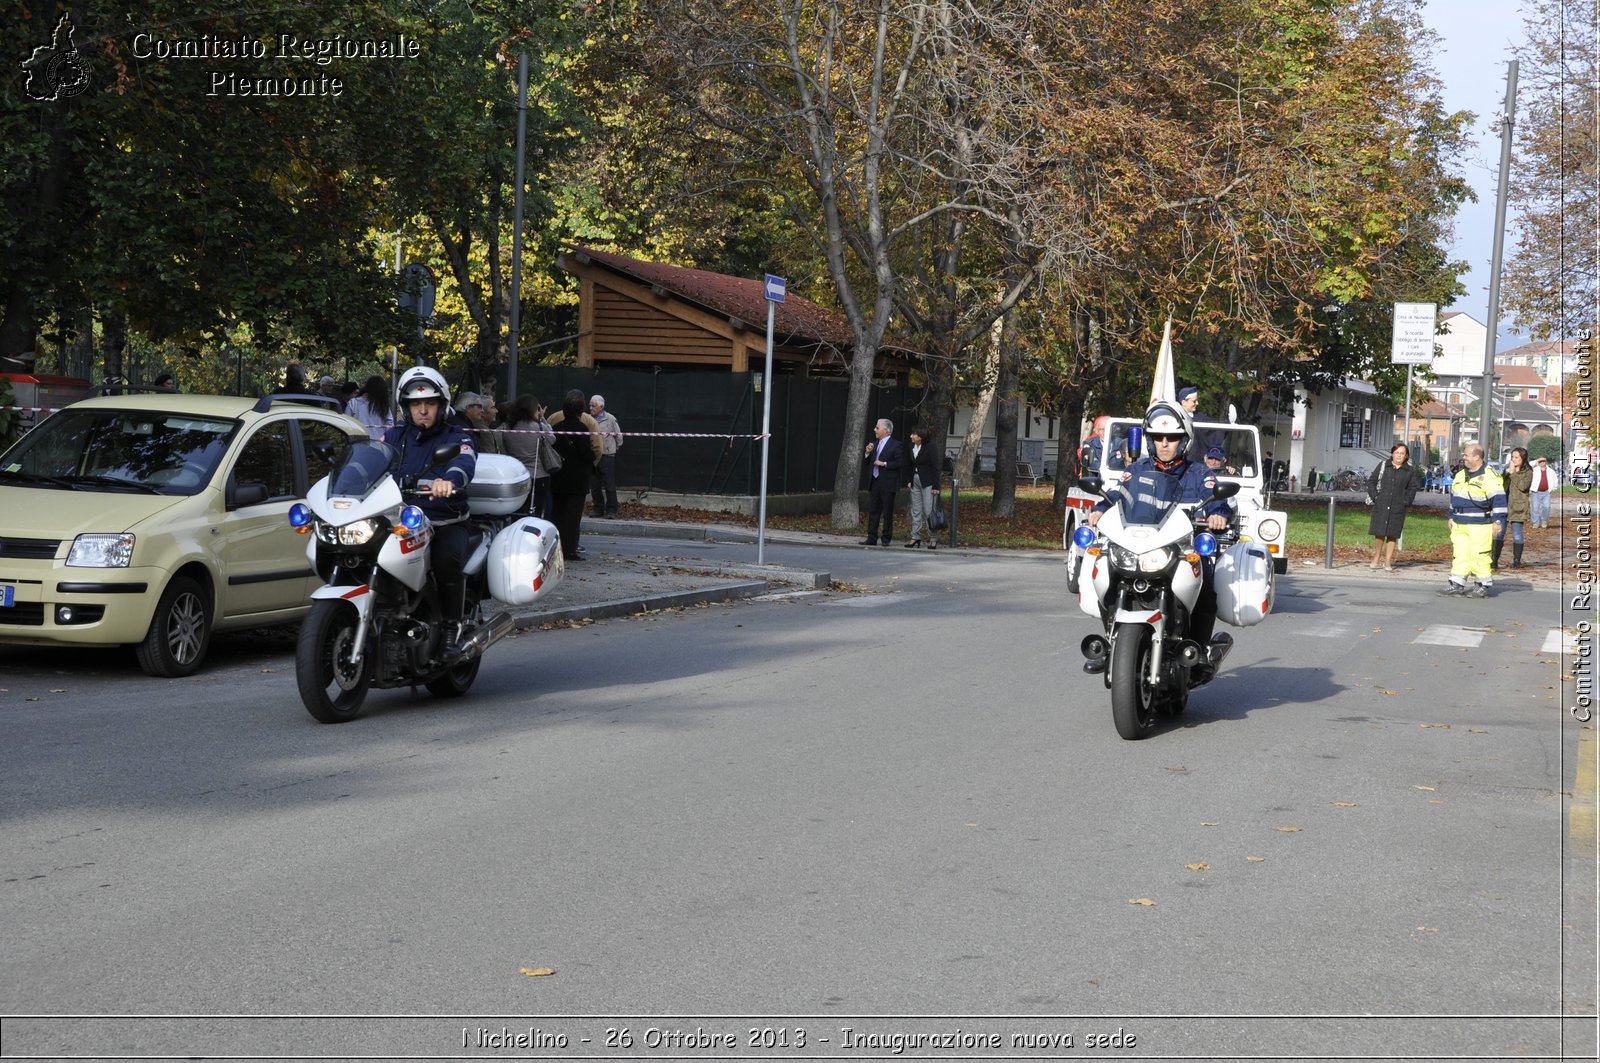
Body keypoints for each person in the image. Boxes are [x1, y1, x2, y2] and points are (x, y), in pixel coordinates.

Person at [1084, 399, 1233, 674]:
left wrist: (1219, 514)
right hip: (1139, 546)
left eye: (1172, 438)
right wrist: (1101, 508)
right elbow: (1119, 495)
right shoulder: (1136, 470)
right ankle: (1109, 645)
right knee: (1105, 569)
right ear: (1150, 440)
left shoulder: (1199, 473)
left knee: (1207, 578)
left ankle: (1197, 650)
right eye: (1158, 437)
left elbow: (1216, 500)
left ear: (1184, 440)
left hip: (1178, 550)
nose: (1165, 443)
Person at [381, 366, 477, 657]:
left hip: (444, 519)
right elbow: (374, 461)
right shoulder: (394, 436)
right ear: (406, 407)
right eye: (415, 404)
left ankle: (451, 628)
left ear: (441, 405)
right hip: (400, 520)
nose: (422, 410)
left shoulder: (456, 436)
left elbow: (465, 461)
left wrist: (450, 481)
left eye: (430, 403)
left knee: (445, 559)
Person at [1440, 443, 1506, 598]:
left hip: (1480, 523)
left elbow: (1499, 500)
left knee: (1480, 554)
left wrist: (1498, 521)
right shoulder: (1461, 475)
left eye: (1467, 455)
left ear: (1477, 457)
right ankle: (1457, 583)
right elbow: (1454, 497)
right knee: (1460, 553)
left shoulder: (1490, 476)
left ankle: (1482, 585)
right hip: (1459, 522)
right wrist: (1451, 515)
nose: (1464, 458)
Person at [548, 389, 602, 561]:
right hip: (577, 479)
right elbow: (590, 452)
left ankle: (553, 548)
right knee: (572, 517)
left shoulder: (555, 426)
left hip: (557, 475)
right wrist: (592, 461)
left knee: (556, 513)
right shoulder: (582, 428)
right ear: (581, 411)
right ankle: (569, 549)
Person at [1365, 442, 1422, 571]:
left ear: (1406, 456)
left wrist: (1406, 501)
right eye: (1396, 453)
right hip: (1382, 504)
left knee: (1392, 534)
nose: (1399, 455)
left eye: (1402, 453)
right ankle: (1377, 556)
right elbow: (1371, 482)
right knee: (1379, 532)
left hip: (1398, 506)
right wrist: (1375, 497)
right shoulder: (1384, 466)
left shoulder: (1409, 471)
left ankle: (1388, 561)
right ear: (1392, 454)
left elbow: (1412, 488)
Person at [503, 394, 555, 519]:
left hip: (517, 474)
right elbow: (552, 438)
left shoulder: (508, 428)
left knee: (519, 509)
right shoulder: (537, 427)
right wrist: (542, 419)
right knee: (537, 509)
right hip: (537, 474)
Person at [860, 418, 906, 546]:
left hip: (888, 483)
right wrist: (867, 453)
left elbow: (900, 463)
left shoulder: (896, 445)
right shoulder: (875, 443)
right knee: (873, 510)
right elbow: (867, 462)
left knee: (887, 511)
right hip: (875, 481)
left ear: (886, 430)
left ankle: (886, 538)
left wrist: (884, 464)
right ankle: (871, 537)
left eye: (877, 427)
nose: (875, 429)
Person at [904, 426, 941, 549]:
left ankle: (933, 538)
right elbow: (909, 464)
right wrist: (909, 480)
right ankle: (915, 537)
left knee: (928, 510)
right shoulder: (911, 446)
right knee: (916, 510)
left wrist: (936, 485)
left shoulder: (931, 446)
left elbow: (936, 467)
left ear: (921, 436)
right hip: (915, 480)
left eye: (914, 434)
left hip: (928, 482)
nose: (911, 436)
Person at [1496, 446, 1532, 570]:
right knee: (1499, 534)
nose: (1514, 460)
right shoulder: (1507, 469)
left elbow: (1523, 486)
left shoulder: (1528, 472)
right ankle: (1494, 561)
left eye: (1517, 457)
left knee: (1517, 534)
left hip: (1518, 507)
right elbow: (1500, 484)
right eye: (1512, 457)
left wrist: (1513, 474)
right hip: (1504, 505)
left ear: (1523, 458)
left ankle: (1516, 561)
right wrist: (1506, 474)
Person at [588, 394, 623, 518]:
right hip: (594, 456)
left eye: (594, 405)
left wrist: (614, 449)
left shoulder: (610, 419)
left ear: (601, 406)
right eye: (590, 405)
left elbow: (619, 436)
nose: (591, 407)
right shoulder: (588, 419)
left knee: (609, 484)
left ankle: (611, 510)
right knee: (594, 485)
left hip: (608, 455)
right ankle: (598, 509)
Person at [344, 374, 394, 441]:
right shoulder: (383, 406)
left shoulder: (353, 403)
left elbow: (346, 424)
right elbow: (390, 427)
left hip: (358, 444)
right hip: (379, 445)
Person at [1529, 455, 1555, 529]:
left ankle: (1544, 521)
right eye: (1540, 461)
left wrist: (1552, 488)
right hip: (1535, 492)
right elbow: (1528, 465)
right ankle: (1535, 523)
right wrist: (1537, 460)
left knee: (1547, 507)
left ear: (1546, 462)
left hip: (1547, 492)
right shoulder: (1534, 470)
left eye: (1543, 461)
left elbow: (1555, 480)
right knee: (1535, 508)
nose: (1541, 462)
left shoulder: (1551, 471)